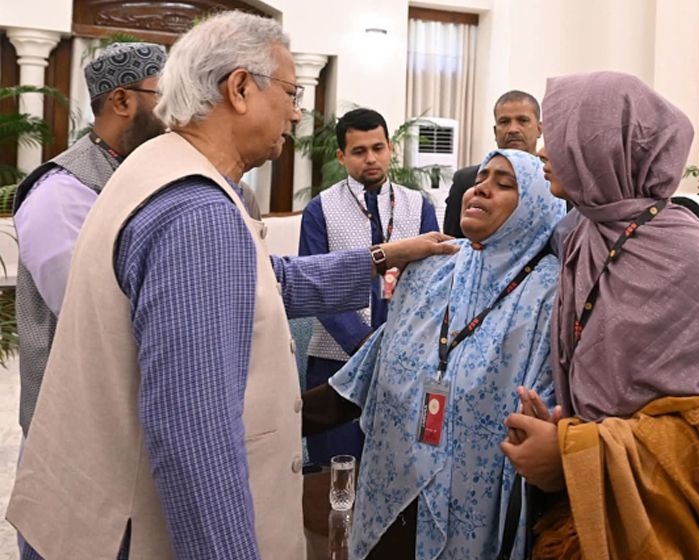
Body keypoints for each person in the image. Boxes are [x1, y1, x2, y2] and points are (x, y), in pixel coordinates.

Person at [7, 11, 455, 560]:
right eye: (290, 91)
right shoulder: (197, 213)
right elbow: (195, 438)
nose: (298, 110)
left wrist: (382, 255)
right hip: (126, 525)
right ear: (240, 88)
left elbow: (266, 279)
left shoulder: (157, 166)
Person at [500, 71, 699, 559]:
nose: (544, 152)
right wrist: (569, 422)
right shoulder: (586, 236)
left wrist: (571, 452)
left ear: (606, 148)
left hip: (668, 518)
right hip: (589, 502)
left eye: (561, 137)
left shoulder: (685, 253)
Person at [303, 149, 565, 558]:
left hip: (475, 509)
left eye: (504, 183)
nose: (481, 188)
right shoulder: (433, 267)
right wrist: (276, 421)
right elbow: (369, 369)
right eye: (482, 177)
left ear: (535, 206)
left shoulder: (551, 294)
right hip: (392, 493)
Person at [13, 41, 167, 437]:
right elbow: (91, 312)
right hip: (70, 426)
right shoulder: (62, 191)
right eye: (165, 94)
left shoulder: (138, 173)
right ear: (121, 100)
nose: (177, 111)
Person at [299, 107, 439, 464]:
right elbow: (315, 285)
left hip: (405, 359)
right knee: (337, 467)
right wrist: (363, 345)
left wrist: (400, 345)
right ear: (341, 156)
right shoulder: (321, 210)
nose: (371, 159)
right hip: (335, 359)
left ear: (390, 148)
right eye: (359, 151)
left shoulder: (418, 205)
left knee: (398, 465)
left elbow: (434, 282)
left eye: (378, 148)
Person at [442, 90, 542, 237]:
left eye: (523, 120)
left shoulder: (556, 182)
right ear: (495, 132)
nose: (513, 129)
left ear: (540, 129)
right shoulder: (466, 181)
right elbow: (452, 243)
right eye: (504, 122)